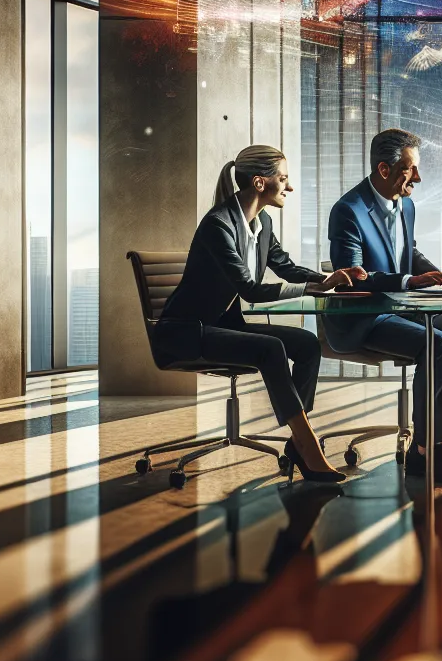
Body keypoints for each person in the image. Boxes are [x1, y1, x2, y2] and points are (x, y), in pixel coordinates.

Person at [152, 145, 367, 484]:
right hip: (185, 332)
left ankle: (298, 438)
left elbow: (286, 267)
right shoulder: (217, 225)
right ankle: (308, 447)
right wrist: (313, 290)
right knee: (271, 350)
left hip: (222, 327)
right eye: (283, 178)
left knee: (308, 344)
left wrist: (328, 279)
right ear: (259, 182)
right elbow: (251, 289)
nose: (290, 187)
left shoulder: (262, 222)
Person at [325, 128, 442, 485]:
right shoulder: (348, 211)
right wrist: (407, 282)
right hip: (363, 317)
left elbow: (408, 254)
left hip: (401, 309)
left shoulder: (406, 204)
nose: (417, 177)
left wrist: (439, 275)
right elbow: (352, 277)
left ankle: (424, 438)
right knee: (438, 345)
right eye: (410, 169)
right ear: (384, 170)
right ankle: (431, 448)